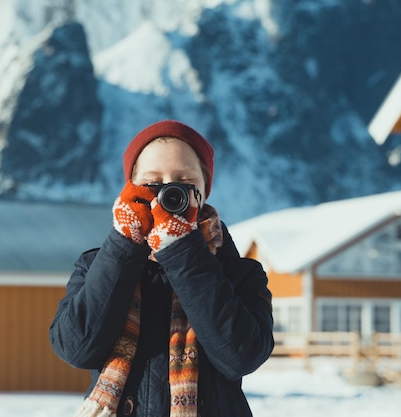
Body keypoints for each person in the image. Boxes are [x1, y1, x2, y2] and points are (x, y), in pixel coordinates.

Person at [49, 120, 274, 417]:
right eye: (153, 184)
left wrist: (181, 250)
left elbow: (240, 357)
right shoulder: (95, 265)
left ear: (203, 191)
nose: (167, 194)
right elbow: (75, 348)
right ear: (131, 189)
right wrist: (124, 245)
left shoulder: (239, 273)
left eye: (183, 182)